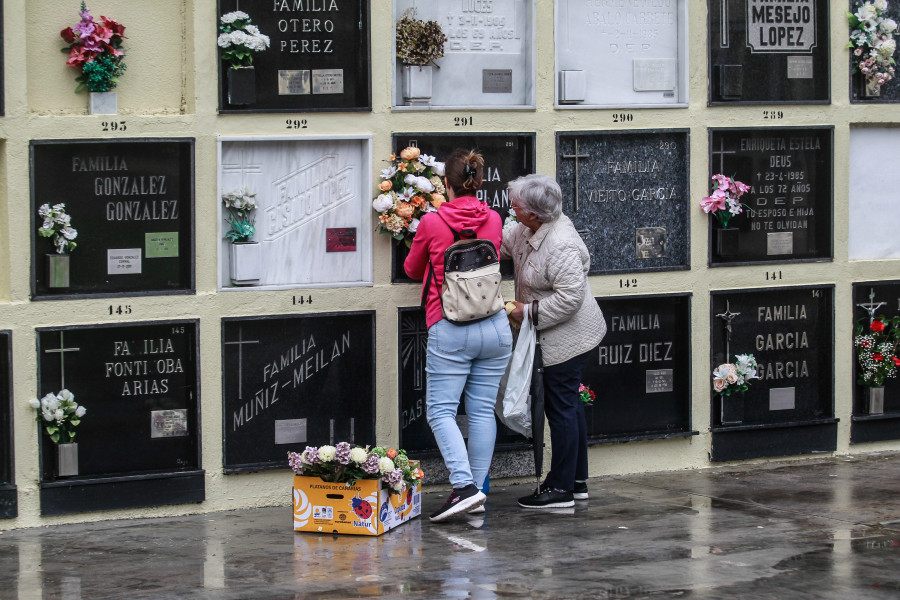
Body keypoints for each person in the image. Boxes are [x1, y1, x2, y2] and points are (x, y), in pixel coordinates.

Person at [404, 149, 513, 522]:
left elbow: (411, 267)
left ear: (445, 185)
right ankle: (478, 491)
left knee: (441, 412)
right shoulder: (495, 219)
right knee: (482, 410)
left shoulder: (433, 223)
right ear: (478, 183)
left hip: (452, 328)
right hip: (496, 326)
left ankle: (463, 487)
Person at [502, 173, 606, 509]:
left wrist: (527, 311)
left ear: (534, 214)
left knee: (559, 407)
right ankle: (576, 482)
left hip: (569, 337)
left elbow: (571, 297)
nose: (511, 211)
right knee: (569, 405)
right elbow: (505, 239)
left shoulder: (559, 241)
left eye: (515, 206)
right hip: (557, 333)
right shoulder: (530, 227)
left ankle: (559, 489)